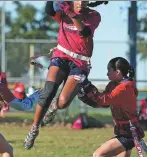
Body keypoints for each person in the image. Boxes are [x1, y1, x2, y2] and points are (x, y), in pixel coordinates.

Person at [24, 1, 108, 149]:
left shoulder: (94, 16)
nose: (81, 3)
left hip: (80, 62)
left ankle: (55, 105)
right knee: (48, 92)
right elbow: (49, 9)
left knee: (63, 103)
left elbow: (85, 33)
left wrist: (71, 14)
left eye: (84, 0)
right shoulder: (63, 12)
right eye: (78, 0)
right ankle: (34, 129)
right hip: (61, 56)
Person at [77, 57, 145, 157]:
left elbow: (105, 99)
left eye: (109, 70)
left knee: (98, 154)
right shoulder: (112, 85)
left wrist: (87, 85)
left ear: (117, 72)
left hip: (130, 133)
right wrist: (84, 96)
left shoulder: (124, 87)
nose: (107, 73)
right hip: (122, 132)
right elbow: (102, 103)